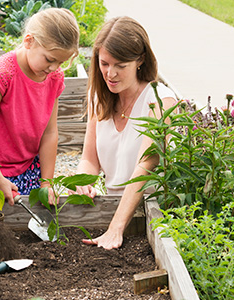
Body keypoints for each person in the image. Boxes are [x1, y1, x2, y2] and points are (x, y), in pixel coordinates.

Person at [73, 16, 176, 249]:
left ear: (140, 60)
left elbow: (145, 167)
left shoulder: (160, 100)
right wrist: (82, 180)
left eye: (121, 66)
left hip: (153, 214)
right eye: (104, 63)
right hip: (112, 209)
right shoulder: (99, 98)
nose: (110, 74)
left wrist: (116, 229)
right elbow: (89, 159)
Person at [0, 8, 80, 205]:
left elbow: (50, 132)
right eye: (50, 59)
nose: (54, 68)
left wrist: (47, 182)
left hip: (29, 167)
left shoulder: (54, 77)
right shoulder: (2, 75)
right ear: (29, 41)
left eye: (60, 62)